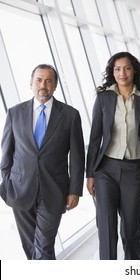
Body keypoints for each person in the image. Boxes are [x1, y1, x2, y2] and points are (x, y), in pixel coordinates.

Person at [0, 64, 85, 260]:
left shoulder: (70, 115)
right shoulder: (15, 113)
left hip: (54, 189)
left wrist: (74, 190)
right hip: (20, 189)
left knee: (44, 245)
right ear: (31, 83)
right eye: (39, 80)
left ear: (55, 85)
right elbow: (7, 152)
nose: (43, 85)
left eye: (48, 81)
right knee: (30, 247)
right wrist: (7, 181)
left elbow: (78, 157)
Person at [86, 51, 140, 260]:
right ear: (112, 72)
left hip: (135, 170)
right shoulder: (103, 98)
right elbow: (94, 139)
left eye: (127, 68)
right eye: (117, 69)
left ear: (134, 70)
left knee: (131, 231)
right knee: (107, 230)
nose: (122, 73)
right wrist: (90, 174)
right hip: (105, 170)